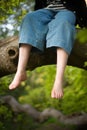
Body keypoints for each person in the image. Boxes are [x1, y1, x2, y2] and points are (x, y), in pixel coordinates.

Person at [9, 0, 87, 99]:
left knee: (62, 24)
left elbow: (82, 5)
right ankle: (20, 71)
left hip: (68, 11)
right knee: (30, 18)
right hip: (46, 10)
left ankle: (58, 80)